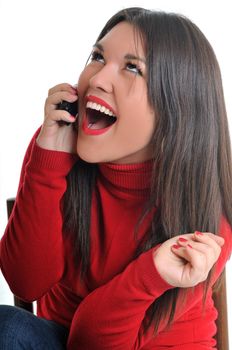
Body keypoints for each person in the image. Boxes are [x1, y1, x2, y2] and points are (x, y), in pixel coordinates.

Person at [0, 6, 231, 350]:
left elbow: (93, 344)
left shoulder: (205, 202)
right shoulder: (55, 146)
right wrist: (47, 161)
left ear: (176, 106)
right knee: (8, 327)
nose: (96, 79)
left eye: (132, 68)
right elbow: (25, 284)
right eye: (97, 56)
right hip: (61, 339)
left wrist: (149, 273)